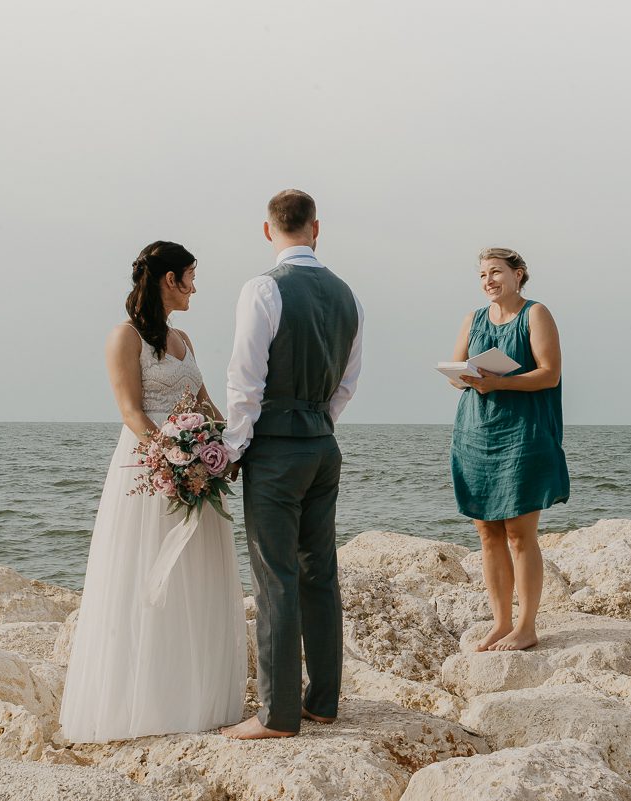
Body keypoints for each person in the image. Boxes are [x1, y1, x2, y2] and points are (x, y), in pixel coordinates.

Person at [60, 241, 247, 743]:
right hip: (151, 469)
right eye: (190, 276)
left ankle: (197, 696)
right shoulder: (125, 337)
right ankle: (141, 703)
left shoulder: (184, 337)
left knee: (197, 577)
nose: (194, 286)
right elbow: (131, 410)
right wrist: (172, 460)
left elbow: (205, 403)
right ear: (170, 280)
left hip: (197, 469)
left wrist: (226, 448)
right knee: (143, 574)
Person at [219, 190, 363, 739]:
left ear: (267, 230)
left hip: (276, 448)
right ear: (316, 229)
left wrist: (233, 449)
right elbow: (347, 383)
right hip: (323, 444)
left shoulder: (263, 289)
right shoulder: (349, 296)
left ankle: (277, 715)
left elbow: (244, 379)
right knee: (319, 573)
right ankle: (323, 700)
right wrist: (317, 421)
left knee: (275, 576)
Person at [449, 247, 569, 652]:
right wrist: (467, 376)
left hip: (523, 433)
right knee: (486, 532)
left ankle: (527, 626)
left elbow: (549, 374)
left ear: (519, 275)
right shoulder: (472, 318)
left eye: (496, 272)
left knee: (520, 534)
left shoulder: (536, 314)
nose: (489, 281)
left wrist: (499, 382)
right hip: (476, 433)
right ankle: (500, 623)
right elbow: (455, 373)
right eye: (483, 275)